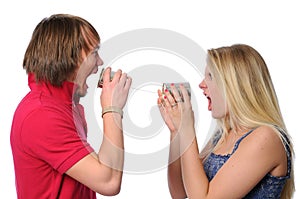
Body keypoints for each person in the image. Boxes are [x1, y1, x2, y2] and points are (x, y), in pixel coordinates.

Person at [10, 14, 132, 199]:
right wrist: (112, 109)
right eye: (94, 53)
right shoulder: (41, 115)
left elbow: (99, 168)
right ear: (70, 58)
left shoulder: (65, 105)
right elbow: (108, 182)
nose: (99, 63)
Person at [157, 44, 294, 199]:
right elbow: (179, 192)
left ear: (234, 85)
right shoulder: (222, 135)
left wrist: (188, 130)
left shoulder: (266, 137)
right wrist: (177, 131)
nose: (201, 84)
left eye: (210, 76)